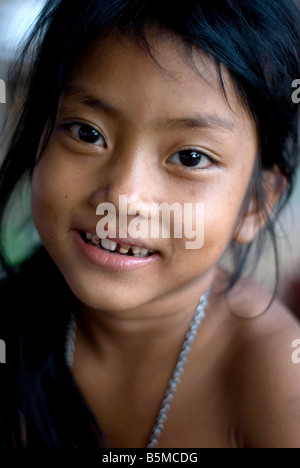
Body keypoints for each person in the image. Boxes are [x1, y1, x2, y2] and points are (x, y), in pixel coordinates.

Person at [0, 0, 300, 449]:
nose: (123, 196)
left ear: (258, 205)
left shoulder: (278, 383)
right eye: (87, 132)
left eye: (191, 157)